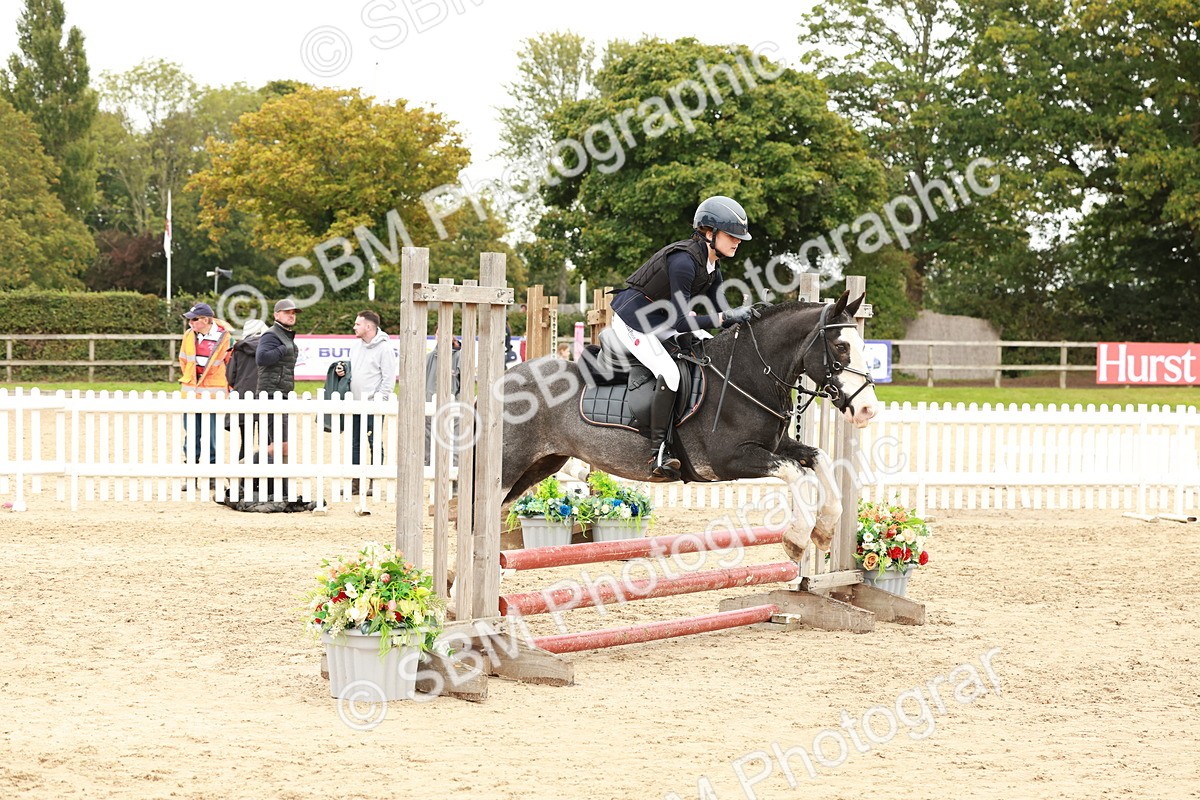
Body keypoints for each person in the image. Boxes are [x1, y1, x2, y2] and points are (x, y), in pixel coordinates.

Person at [609, 195, 756, 478]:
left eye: (739, 238)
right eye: (732, 236)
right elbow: (682, 321)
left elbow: (721, 313)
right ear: (709, 233)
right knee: (670, 373)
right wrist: (726, 318)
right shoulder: (684, 262)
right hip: (634, 321)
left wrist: (746, 323)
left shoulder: (712, 267)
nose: (737, 242)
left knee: (708, 348)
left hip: (661, 320)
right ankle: (659, 452)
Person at [335, 310, 397, 492]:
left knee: (374, 443)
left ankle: (374, 482)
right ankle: (355, 482)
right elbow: (353, 371)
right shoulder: (355, 347)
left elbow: (388, 379)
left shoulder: (385, 348)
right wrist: (342, 371)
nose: (354, 327)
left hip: (373, 405)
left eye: (357, 324)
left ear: (368, 326)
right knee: (354, 442)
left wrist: (379, 401)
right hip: (355, 403)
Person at [178, 302, 234, 466]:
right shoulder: (189, 335)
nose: (190, 322)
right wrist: (192, 378)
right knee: (191, 433)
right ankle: (191, 466)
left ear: (205, 320)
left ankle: (212, 467)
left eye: (194, 319)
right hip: (191, 391)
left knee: (211, 434)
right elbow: (183, 360)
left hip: (213, 393)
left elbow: (230, 364)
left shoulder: (225, 337)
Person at [256, 298, 300, 460]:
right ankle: (245, 466)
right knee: (279, 445)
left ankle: (280, 475)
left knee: (282, 445)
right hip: (271, 393)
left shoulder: (285, 335)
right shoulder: (271, 334)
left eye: (293, 313)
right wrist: (283, 348)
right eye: (287, 312)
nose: (291, 315)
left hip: (282, 393)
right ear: (276, 315)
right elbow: (261, 358)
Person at [225, 318, 267, 461]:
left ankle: (241, 472)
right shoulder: (270, 349)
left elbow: (230, 376)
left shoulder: (238, 349)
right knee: (265, 442)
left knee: (246, 443)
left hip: (243, 397)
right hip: (264, 397)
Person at [424, 327, 462, 465]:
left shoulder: (459, 357)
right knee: (427, 438)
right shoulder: (428, 358)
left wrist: (458, 402)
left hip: (452, 407)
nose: (440, 336)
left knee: (454, 439)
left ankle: (454, 468)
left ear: (452, 335)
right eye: (438, 334)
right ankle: (427, 467)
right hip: (430, 406)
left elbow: (464, 383)